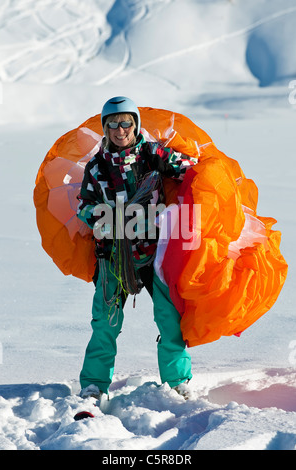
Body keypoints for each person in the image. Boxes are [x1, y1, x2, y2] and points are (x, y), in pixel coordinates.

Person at [77, 96, 194, 401]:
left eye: (126, 122)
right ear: (105, 128)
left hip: (155, 252)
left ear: (136, 124)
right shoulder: (97, 167)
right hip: (114, 256)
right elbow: (84, 207)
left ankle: (177, 381)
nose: (120, 129)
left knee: (170, 317)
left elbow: (193, 173)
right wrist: (100, 219)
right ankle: (93, 385)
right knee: (105, 322)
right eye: (112, 123)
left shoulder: (153, 155)